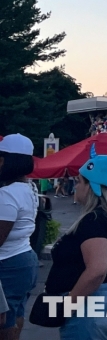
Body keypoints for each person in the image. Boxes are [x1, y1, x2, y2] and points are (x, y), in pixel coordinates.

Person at [44, 154, 107, 340]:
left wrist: (67, 306)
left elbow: (97, 270)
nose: (76, 186)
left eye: (80, 181)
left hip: (92, 303)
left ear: (93, 187)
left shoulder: (94, 220)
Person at [0, 135, 39, 340]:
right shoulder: (29, 188)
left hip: (7, 264)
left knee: (4, 319)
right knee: (16, 312)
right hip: (24, 257)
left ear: (9, 161)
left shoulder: (7, 194)